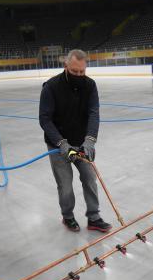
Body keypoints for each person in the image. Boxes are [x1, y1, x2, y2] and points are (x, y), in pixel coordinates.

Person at [39, 49, 112, 233]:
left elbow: (94, 113)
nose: (79, 75)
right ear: (66, 67)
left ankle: (94, 217)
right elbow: (45, 119)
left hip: (81, 143)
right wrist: (61, 143)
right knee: (65, 185)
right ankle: (68, 216)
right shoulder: (51, 87)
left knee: (89, 178)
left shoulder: (90, 85)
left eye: (82, 72)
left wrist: (90, 141)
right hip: (58, 145)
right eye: (74, 72)